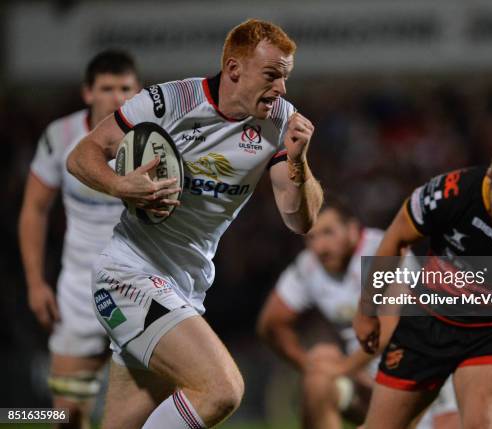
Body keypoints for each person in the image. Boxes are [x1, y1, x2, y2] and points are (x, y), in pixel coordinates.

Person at [67, 19, 323, 429]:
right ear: (235, 69)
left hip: (185, 287)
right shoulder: (169, 101)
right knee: (222, 390)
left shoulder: (280, 122)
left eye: (286, 78)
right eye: (273, 76)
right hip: (127, 275)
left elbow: (298, 219)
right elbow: (82, 154)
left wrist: (298, 162)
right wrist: (121, 184)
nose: (282, 89)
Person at [353, 137, 492, 429]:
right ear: (490, 176)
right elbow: (397, 239)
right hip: (427, 322)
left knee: (481, 424)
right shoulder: (448, 193)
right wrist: (367, 309)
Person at [18, 50, 140, 429]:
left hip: (140, 289)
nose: (117, 98)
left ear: (139, 92)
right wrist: (36, 283)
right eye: (107, 88)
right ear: (88, 92)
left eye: (126, 88)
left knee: (137, 418)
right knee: (63, 415)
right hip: (79, 293)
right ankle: (10, 415)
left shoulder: (156, 138)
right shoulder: (62, 136)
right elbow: (34, 210)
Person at [258, 198, 412, 428]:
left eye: (328, 232)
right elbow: (271, 324)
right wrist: (308, 364)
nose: (320, 246)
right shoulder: (309, 266)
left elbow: (389, 327)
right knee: (319, 364)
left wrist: (342, 368)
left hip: (414, 374)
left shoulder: (383, 250)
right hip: (364, 379)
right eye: (311, 237)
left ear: (352, 229)